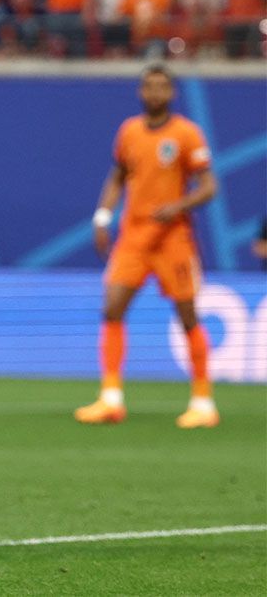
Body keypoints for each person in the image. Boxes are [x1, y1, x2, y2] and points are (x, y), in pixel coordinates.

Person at [78, 64, 219, 429]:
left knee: (187, 316)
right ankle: (111, 399)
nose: (155, 93)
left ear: (171, 93)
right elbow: (118, 176)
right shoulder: (129, 131)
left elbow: (209, 186)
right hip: (134, 236)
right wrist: (102, 217)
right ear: (141, 91)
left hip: (173, 238)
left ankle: (203, 402)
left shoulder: (186, 134)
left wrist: (179, 205)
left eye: (161, 87)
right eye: (149, 86)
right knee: (112, 308)